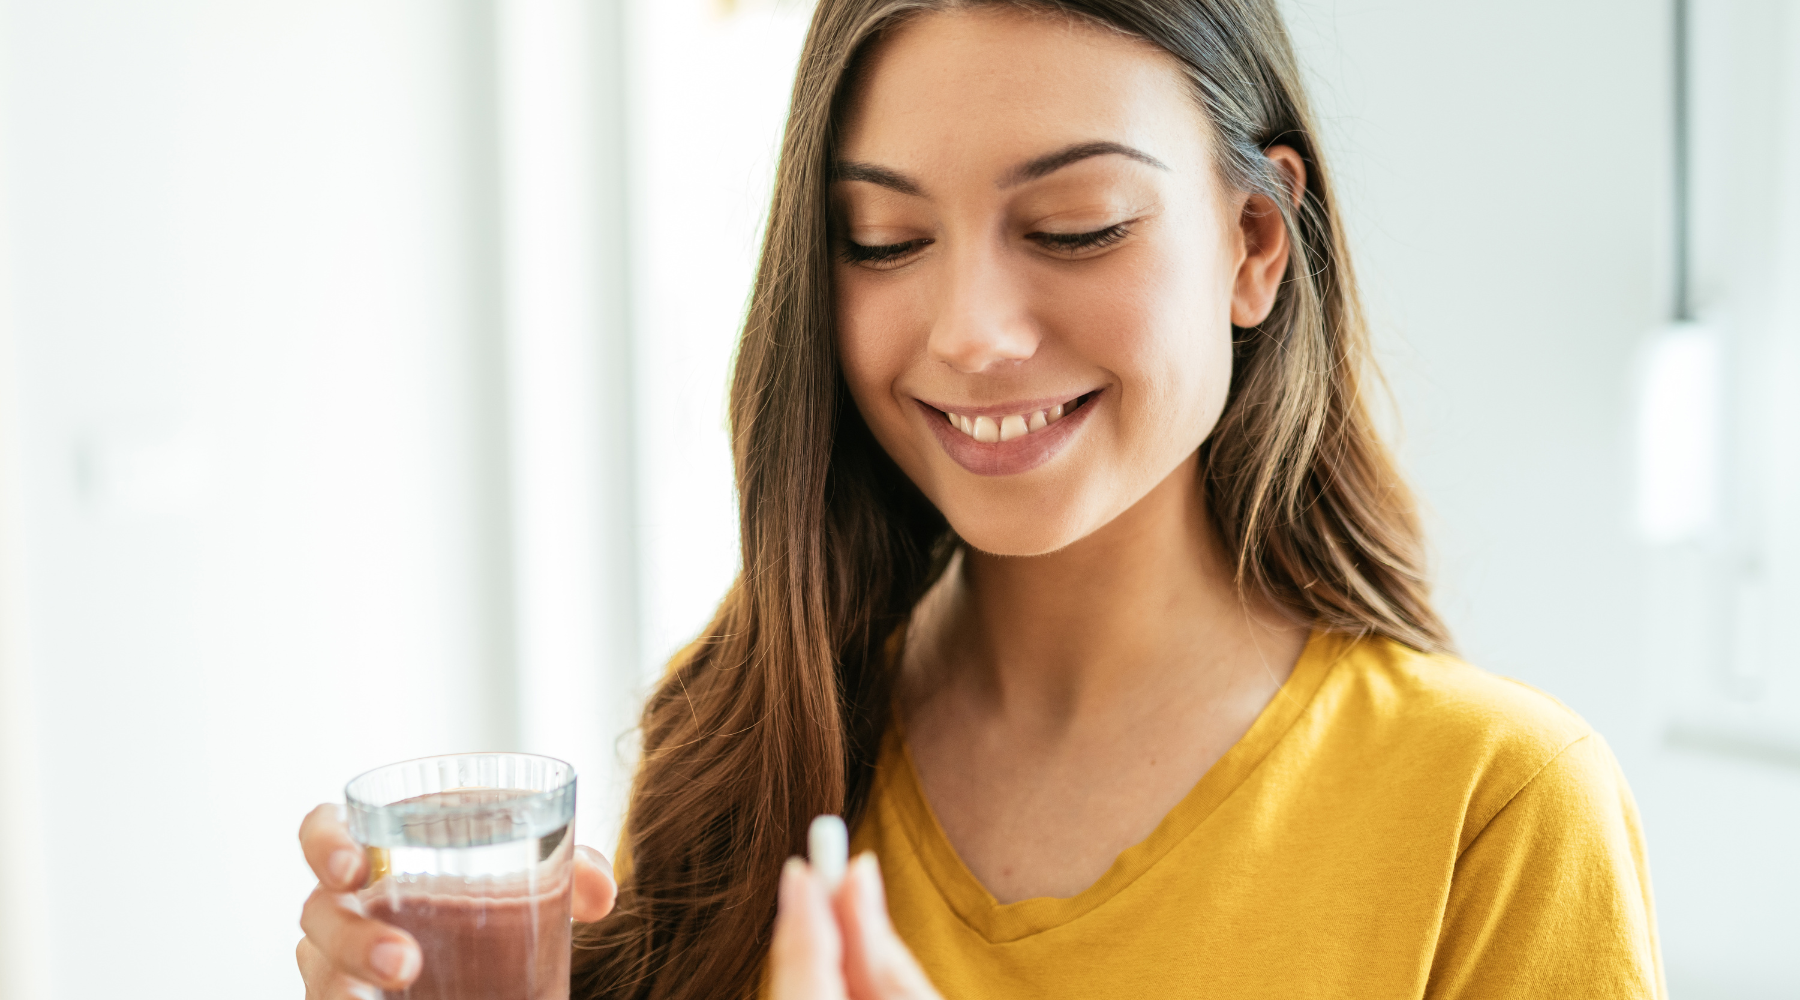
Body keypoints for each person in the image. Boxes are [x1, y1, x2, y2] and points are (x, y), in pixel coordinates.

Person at [296, 1, 1666, 997]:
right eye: (883, 241)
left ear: (1255, 242)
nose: (970, 333)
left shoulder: (1496, 814)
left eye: (1074, 226)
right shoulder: (742, 740)